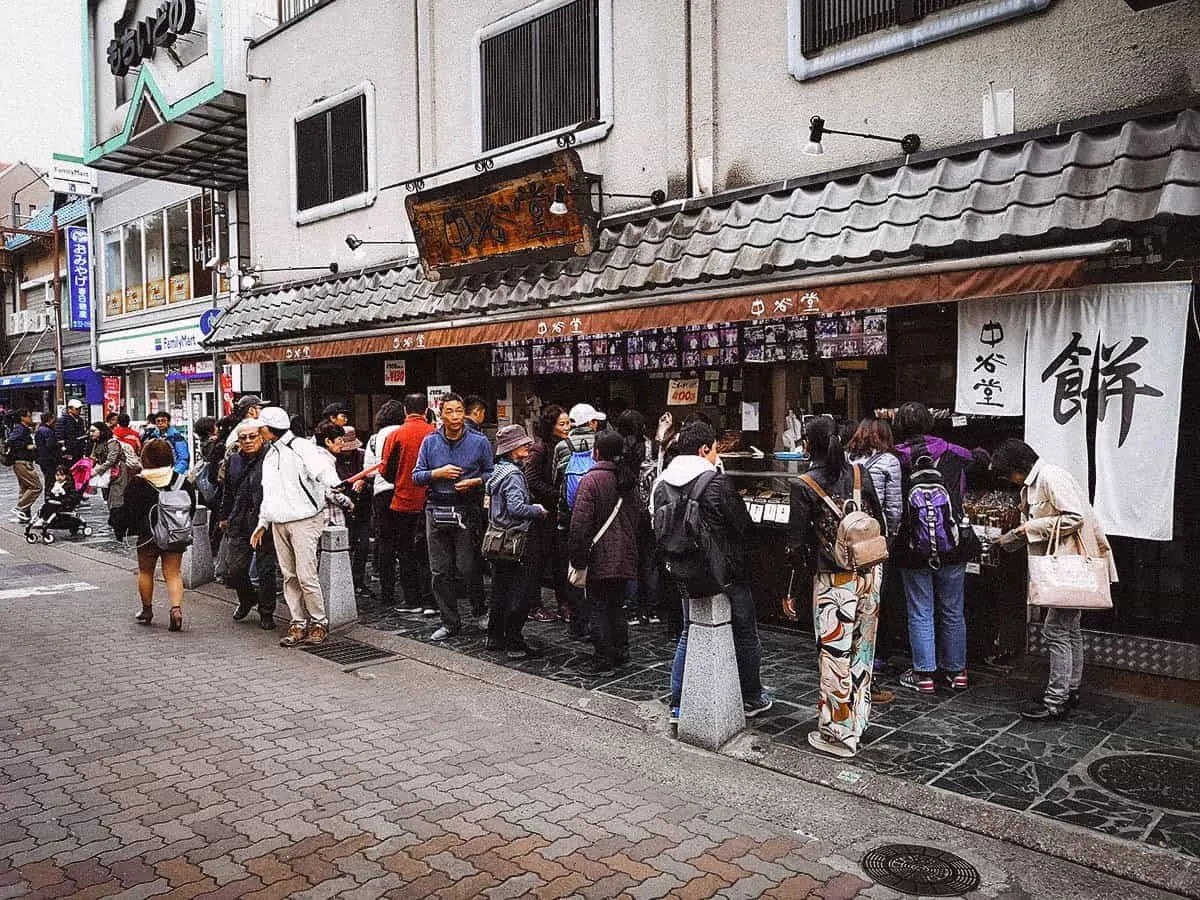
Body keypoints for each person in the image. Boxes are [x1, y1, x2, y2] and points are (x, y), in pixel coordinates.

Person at [990, 438, 1117, 721]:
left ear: (1019, 467)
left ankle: (1056, 700)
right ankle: (1070, 690)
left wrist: (1028, 527)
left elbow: (1074, 518)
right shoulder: (1043, 478)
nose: (1009, 480)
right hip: (1069, 568)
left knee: (1056, 632)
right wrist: (1013, 537)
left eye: (1007, 473)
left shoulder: (1050, 477)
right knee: (1069, 630)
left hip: (1068, 567)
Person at [653, 422, 770, 720]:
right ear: (705, 449)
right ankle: (752, 697)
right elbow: (742, 525)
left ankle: (678, 703)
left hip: (682, 568)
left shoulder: (662, 481)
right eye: (715, 449)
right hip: (724, 573)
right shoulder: (716, 483)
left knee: (688, 630)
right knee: (745, 632)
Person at [788, 416, 887, 758]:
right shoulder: (861, 475)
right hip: (871, 574)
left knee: (834, 657)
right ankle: (859, 721)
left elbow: (796, 546)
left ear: (807, 445)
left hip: (834, 583)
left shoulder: (804, 485)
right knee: (862, 651)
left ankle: (838, 734)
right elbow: (882, 523)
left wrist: (791, 590)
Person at [892, 401, 987, 694]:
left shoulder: (895, 458)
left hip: (912, 546)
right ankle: (956, 672)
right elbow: (981, 458)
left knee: (920, 610)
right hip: (953, 543)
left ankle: (924, 675)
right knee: (952, 610)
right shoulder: (953, 452)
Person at [253, 406, 340, 648]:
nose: (258, 430)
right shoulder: (270, 454)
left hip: (305, 519)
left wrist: (335, 483)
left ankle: (319, 622)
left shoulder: (301, 447)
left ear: (270, 428)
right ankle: (298, 622)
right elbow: (268, 493)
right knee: (290, 576)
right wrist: (263, 522)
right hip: (279, 521)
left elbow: (322, 470)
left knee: (306, 575)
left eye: (261, 426)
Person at [411, 393, 493, 640]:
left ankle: (480, 611)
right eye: (450, 412)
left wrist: (475, 481)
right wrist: (437, 473)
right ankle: (449, 621)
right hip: (436, 508)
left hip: (466, 509)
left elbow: (492, 473)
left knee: (468, 566)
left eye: (459, 411)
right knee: (440, 570)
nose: (455, 417)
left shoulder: (479, 441)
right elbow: (416, 475)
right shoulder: (430, 442)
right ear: (440, 414)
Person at [568, 430, 640, 675]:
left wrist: (577, 558)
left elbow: (580, 525)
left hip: (599, 556)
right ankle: (621, 652)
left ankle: (603, 659)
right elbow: (639, 519)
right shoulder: (628, 479)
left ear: (596, 452)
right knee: (617, 605)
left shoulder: (591, 481)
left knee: (598, 607)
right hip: (625, 555)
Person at [114, 438, 196, 632]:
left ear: (145, 458)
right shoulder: (181, 481)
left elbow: (130, 511)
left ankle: (147, 610)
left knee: (146, 572)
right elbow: (190, 509)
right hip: (174, 535)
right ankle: (176, 610)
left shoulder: (138, 482)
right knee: (173, 573)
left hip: (147, 536)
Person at [485, 425, 548, 658]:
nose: (528, 447)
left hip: (498, 539)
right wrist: (537, 509)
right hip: (516, 540)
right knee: (520, 591)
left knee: (500, 590)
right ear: (512, 450)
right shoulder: (513, 475)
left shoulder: (498, 471)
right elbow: (516, 507)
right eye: (523, 445)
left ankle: (495, 636)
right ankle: (514, 639)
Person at [380, 394, 437, 611]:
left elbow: (385, 471)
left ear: (405, 410)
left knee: (405, 553)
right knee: (430, 553)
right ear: (426, 410)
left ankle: (412, 600)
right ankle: (431, 600)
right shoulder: (435, 434)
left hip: (403, 501)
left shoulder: (397, 435)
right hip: (431, 500)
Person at [220, 419, 278, 630]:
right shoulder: (234, 460)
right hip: (239, 520)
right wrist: (224, 515)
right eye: (243, 438)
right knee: (234, 569)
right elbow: (227, 489)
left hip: (265, 520)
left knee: (265, 570)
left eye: (252, 436)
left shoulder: (272, 458)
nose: (247, 441)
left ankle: (266, 612)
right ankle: (247, 599)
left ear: (262, 436)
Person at [556, 402, 606, 638]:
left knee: (575, 569)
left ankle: (576, 622)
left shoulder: (561, 446)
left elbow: (557, 481)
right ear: (592, 423)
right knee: (597, 571)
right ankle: (595, 624)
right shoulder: (601, 443)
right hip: (597, 518)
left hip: (570, 517)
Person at [523, 405, 570, 623]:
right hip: (541, 512)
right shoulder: (540, 448)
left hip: (557, 513)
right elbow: (531, 479)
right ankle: (534, 604)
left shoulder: (564, 447)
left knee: (561, 560)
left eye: (568, 422)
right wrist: (556, 494)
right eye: (562, 423)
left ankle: (564, 603)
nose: (567, 427)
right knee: (537, 560)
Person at [363, 400, 406, 604]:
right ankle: (411, 593)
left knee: (385, 542)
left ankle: (387, 592)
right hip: (404, 490)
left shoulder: (374, 439)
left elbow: (369, 471)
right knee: (407, 544)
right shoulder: (404, 432)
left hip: (381, 492)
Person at [330, 424, 372, 601]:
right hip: (340, 508)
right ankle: (344, 583)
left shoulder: (362, 456)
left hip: (362, 506)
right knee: (345, 546)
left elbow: (374, 477)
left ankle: (358, 581)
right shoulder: (331, 459)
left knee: (363, 546)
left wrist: (364, 482)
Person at [88, 422, 131, 513]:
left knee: (117, 499)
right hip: (106, 474)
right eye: (90, 431)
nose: (91, 433)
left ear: (102, 431)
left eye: (93, 431)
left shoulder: (112, 443)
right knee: (108, 498)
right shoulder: (97, 443)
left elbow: (111, 461)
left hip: (118, 473)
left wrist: (96, 471)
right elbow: (93, 458)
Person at [8, 409, 40, 524]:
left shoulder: (23, 429)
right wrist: (27, 446)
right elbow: (11, 441)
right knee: (36, 487)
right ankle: (19, 508)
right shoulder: (20, 428)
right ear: (23, 418)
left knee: (25, 488)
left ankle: (24, 515)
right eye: (29, 416)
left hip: (22, 461)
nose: (31, 418)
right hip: (22, 461)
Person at [147, 411, 190, 475]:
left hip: (174, 471)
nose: (160, 423)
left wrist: (175, 473)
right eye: (158, 421)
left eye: (163, 420)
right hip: (158, 472)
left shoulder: (176, 436)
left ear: (168, 422)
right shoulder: (153, 436)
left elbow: (183, 458)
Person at [35, 411, 62, 498]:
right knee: (50, 480)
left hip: (43, 459)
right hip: (49, 459)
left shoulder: (40, 429)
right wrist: (59, 445)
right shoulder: (47, 431)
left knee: (49, 479)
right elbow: (51, 445)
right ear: (50, 419)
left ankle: (50, 497)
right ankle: (49, 498)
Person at [56, 399, 88, 463]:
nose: (79, 410)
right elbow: (59, 437)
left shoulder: (80, 420)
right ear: (69, 409)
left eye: (80, 408)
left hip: (79, 450)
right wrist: (64, 451)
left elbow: (82, 433)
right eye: (77, 409)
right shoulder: (62, 420)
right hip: (68, 451)